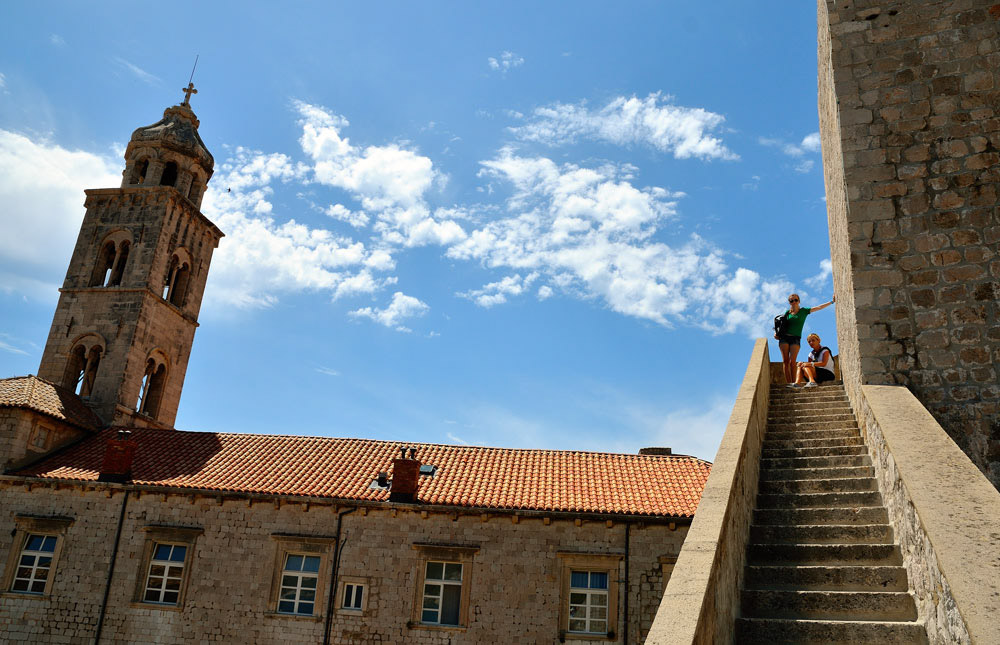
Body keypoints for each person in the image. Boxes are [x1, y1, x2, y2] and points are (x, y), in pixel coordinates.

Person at [775, 293, 835, 387]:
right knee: (785, 361)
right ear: (789, 302)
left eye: (795, 300)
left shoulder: (804, 311)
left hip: (795, 338)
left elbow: (818, 307)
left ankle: (795, 383)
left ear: (799, 301)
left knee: (792, 361)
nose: (794, 302)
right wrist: (777, 334)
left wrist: (831, 302)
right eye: (791, 301)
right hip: (784, 338)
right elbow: (781, 325)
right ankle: (789, 383)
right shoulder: (787, 313)